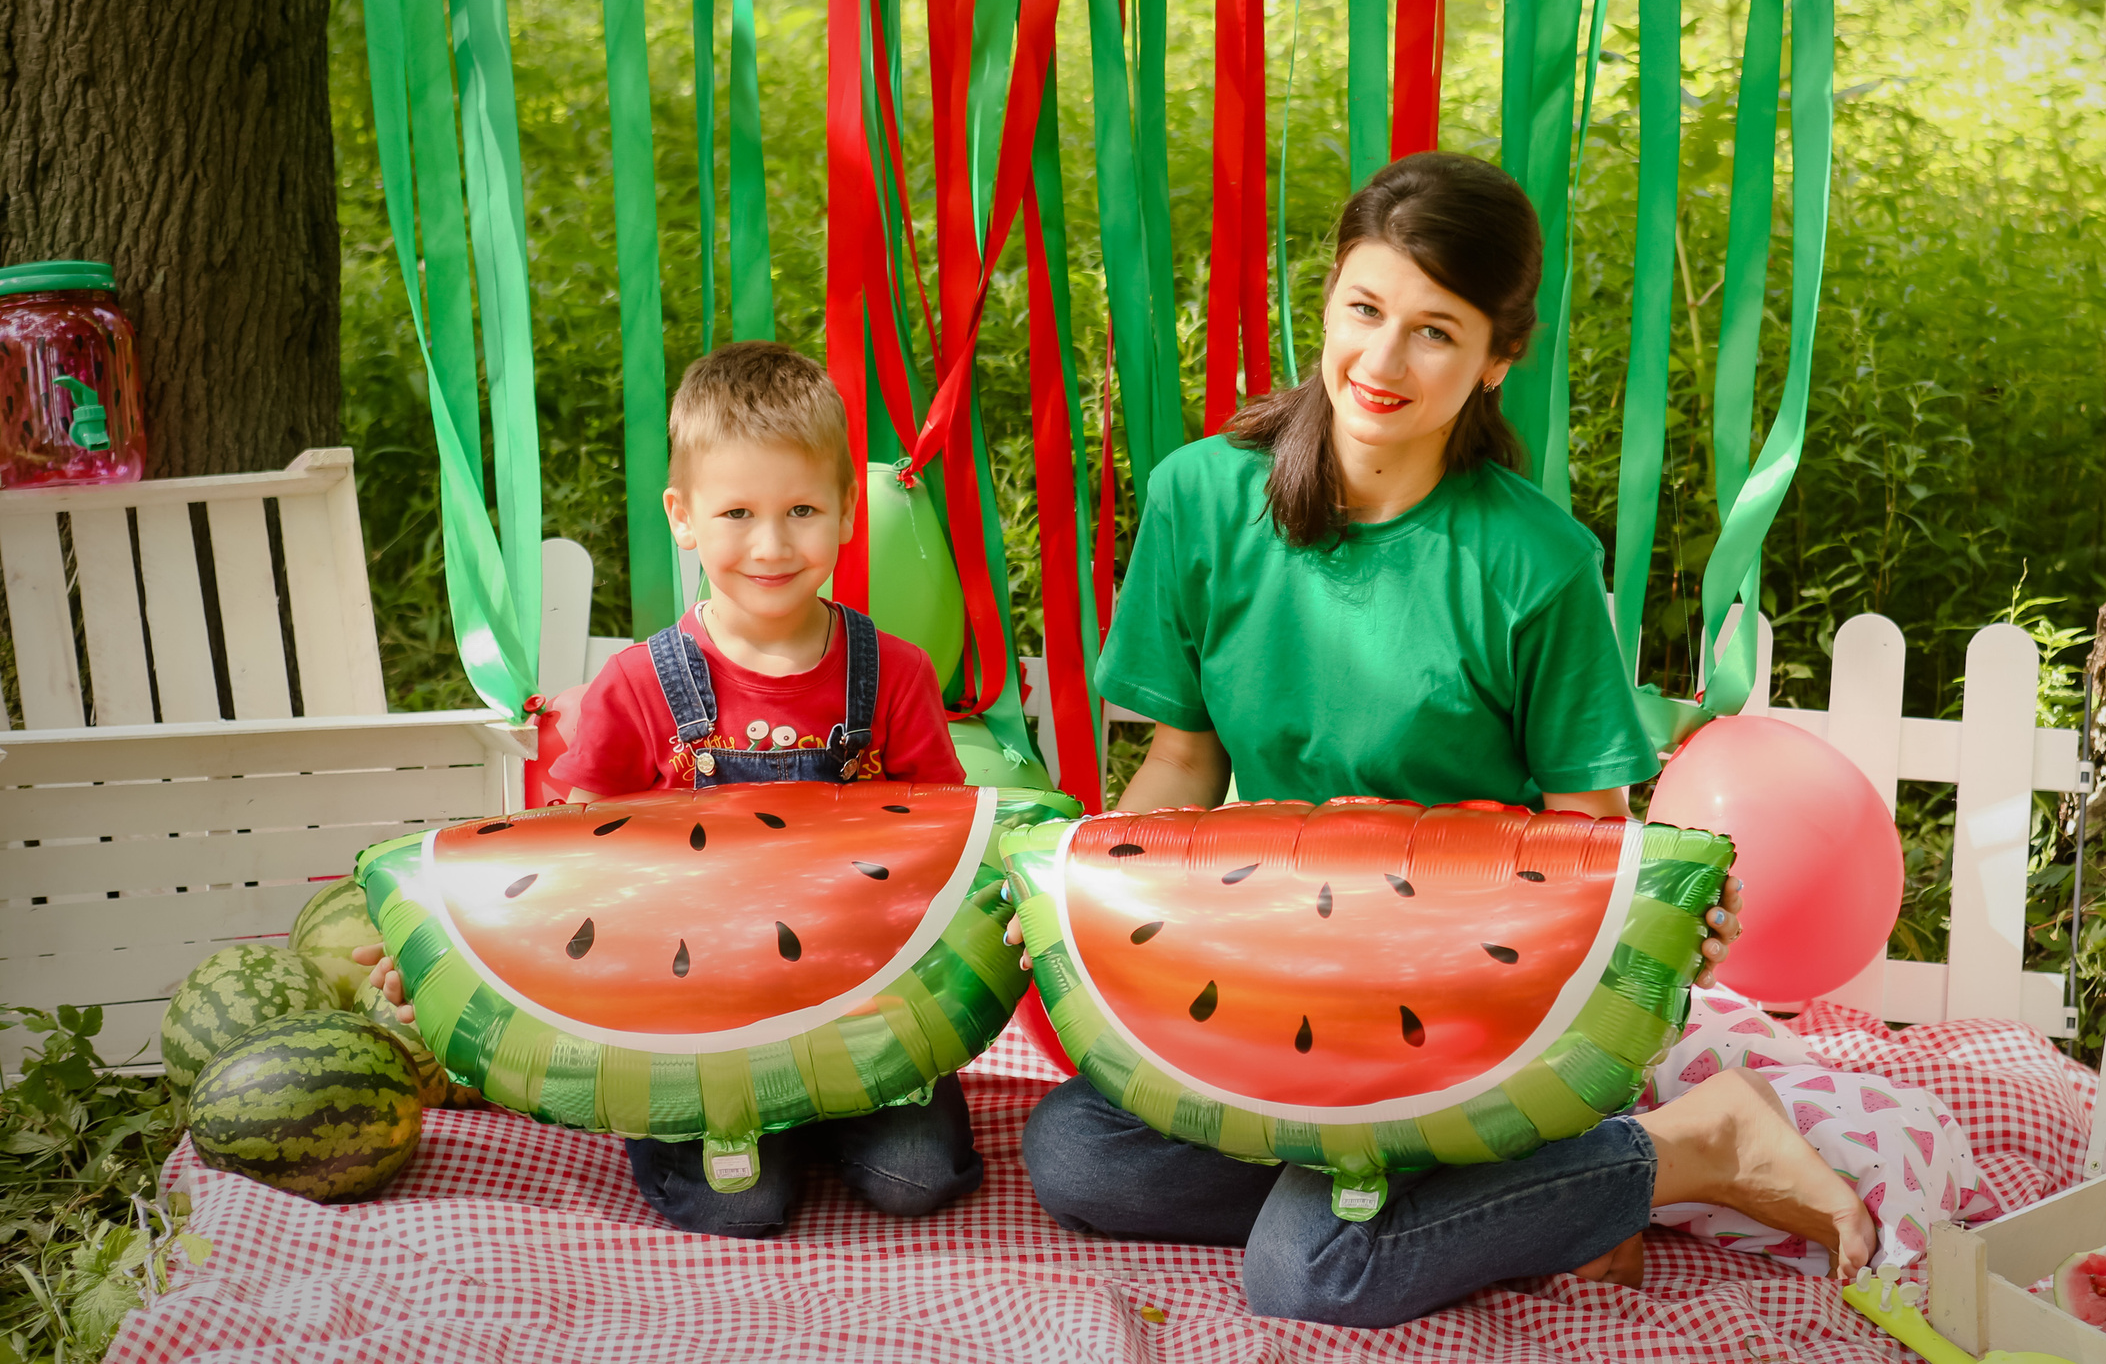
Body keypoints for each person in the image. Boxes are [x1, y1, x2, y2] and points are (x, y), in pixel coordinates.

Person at [1018, 152, 1877, 1327]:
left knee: (1309, 1273)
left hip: (1465, 1004)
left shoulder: (1537, 562)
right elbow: (1183, 761)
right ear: (1326, 299)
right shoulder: (1199, 498)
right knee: (1076, 1154)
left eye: (1434, 332)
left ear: (1497, 358)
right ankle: (1518, 1200)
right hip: (1274, 967)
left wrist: (1656, 925)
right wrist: (1085, 903)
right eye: (1364, 310)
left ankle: (1694, 1145)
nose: (1381, 363)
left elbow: (1586, 835)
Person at [359, 341, 976, 1240]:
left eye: (803, 510)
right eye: (738, 512)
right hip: (690, 1033)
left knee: (917, 1178)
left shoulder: (896, 676)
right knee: (742, 1204)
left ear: (849, 507)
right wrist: (446, 943)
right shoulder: (639, 685)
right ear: (683, 516)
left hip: (864, 1012)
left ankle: (820, 1121)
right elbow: (562, 867)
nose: (772, 545)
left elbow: (947, 849)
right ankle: (762, 1134)